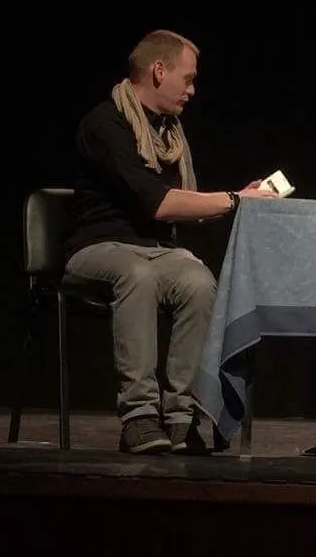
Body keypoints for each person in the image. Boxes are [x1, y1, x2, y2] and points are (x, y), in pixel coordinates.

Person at [64, 29, 278, 455]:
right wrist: (235, 200)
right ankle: (139, 416)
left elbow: (187, 205)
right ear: (159, 71)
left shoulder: (168, 132)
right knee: (137, 275)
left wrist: (242, 195)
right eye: (188, 78)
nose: (192, 90)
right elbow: (158, 203)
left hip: (155, 251)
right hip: (97, 247)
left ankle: (181, 416)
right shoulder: (105, 124)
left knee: (198, 281)